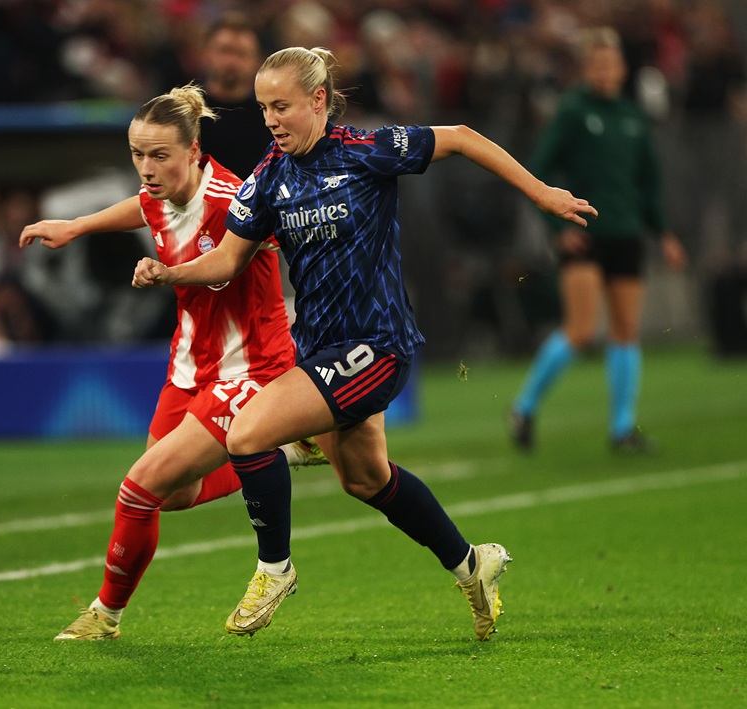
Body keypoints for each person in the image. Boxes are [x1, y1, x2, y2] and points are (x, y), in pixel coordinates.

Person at [133, 47, 598, 641]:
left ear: (319, 101)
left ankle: (274, 569)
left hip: (376, 346)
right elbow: (226, 259)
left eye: (282, 106)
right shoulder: (267, 180)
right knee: (365, 479)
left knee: (247, 432)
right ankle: (471, 564)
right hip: (318, 350)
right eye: (263, 108)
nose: (272, 119)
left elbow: (458, 136)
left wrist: (539, 193)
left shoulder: (369, 153)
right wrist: (169, 273)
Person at [19, 84, 325, 641]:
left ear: (194, 150)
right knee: (175, 493)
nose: (146, 167)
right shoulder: (156, 191)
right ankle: (280, 447)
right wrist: (76, 227)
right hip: (189, 367)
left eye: (159, 155)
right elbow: (143, 206)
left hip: (250, 368)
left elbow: (224, 267)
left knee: (139, 487)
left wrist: (163, 275)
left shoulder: (235, 201)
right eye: (137, 154)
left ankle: (104, 617)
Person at [508, 27, 686, 453]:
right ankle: (524, 406)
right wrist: (558, 229)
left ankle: (622, 429)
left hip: (626, 234)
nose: (606, 72)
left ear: (623, 68)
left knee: (626, 331)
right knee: (582, 331)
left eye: (612, 64)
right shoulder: (572, 112)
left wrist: (662, 232)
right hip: (584, 237)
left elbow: (648, 182)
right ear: (587, 69)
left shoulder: (631, 116)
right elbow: (538, 172)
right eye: (598, 64)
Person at [198, 13, 273, 180]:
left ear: (257, 61)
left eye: (241, 54)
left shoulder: (272, 120)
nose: (231, 62)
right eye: (224, 51)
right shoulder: (181, 112)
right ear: (206, 54)